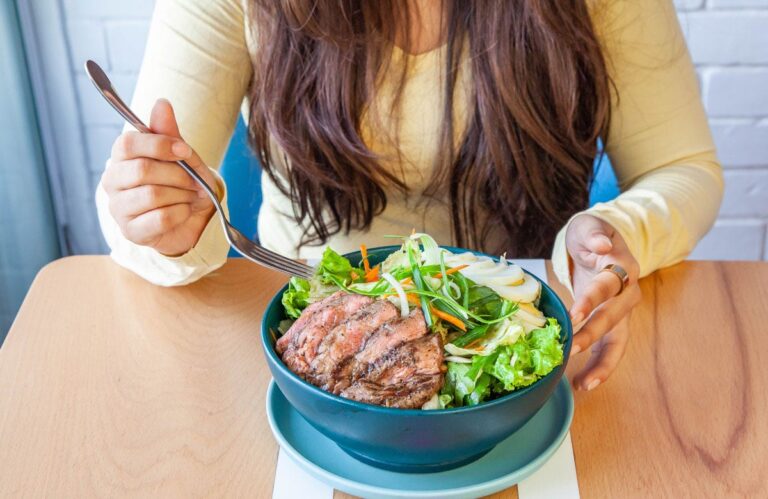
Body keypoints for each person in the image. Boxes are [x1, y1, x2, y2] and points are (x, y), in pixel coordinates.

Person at [96, 0, 723, 391]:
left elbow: (684, 167)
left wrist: (618, 234)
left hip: (520, 335)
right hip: (307, 330)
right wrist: (161, 223)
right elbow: (144, 180)